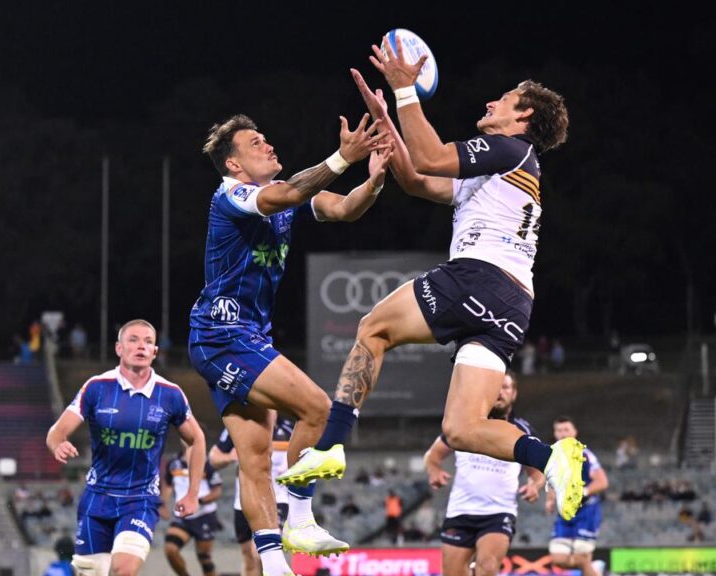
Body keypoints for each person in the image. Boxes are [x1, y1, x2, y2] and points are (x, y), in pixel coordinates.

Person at [279, 39, 586, 523]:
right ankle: (551, 458)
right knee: (464, 429)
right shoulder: (507, 170)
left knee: (372, 328)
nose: (491, 103)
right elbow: (418, 179)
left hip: (478, 278)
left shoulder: (509, 148)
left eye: (504, 99)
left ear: (523, 117)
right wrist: (386, 124)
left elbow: (431, 157)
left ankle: (332, 446)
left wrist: (405, 92)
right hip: (513, 303)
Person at [187, 111, 390, 574]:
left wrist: (374, 181)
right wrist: (344, 156)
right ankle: (299, 516)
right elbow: (293, 191)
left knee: (255, 458)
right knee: (318, 408)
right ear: (234, 165)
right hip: (224, 335)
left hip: (244, 337)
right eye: (256, 143)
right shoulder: (232, 195)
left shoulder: (285, 198)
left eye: (267, 137)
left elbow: (343, 208)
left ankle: (275, 564)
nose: (268, 145)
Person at [46, 319, 206, 576]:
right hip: (96, 499)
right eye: (133, 340)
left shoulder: (170, 394)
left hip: (140, 500)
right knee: (92, 572)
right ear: (119, 348)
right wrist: (58, 444)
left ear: (155, 352)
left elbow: (196, 439)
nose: (141, 346)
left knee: (123, 570)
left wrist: (192, 491)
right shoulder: (96, 387)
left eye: (148, 341)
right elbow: (57, 431)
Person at [424, 373, 544, 576]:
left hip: (498, 513)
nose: (500, 392)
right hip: (460, 511)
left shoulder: (522, 432)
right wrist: (434, 470)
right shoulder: (464, 425)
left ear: (513, 394)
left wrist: (535, 485)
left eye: (505, 387)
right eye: (496, 386)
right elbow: (432, 455)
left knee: (487, 567)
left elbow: (538, 471)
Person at [208, 418, 293, 576]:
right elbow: (213, 459)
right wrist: (230, 457)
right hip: (244, 503)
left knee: (261, 553)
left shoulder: (289, 430)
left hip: (276, 501)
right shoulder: (239, 426)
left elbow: (307, 456)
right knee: (248, 558)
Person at [546, 417, 608, 576]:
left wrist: (582, 493)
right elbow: (554, 481)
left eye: (566, 429)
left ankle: (590, 566)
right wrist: (551, 500)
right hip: (565, 514)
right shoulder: (553, 456)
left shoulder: (584, 454)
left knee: (581, 557)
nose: (562, 434)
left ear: (574, 432)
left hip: (586, 512)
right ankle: (594, 568)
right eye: (559, 430)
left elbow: (602, 481)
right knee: (558, 558)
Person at [163, 441, 223, 576]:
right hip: (182, 517)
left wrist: (197, 501)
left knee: (204, 559)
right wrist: (163, 504)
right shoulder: (173, 462)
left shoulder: (207, 463)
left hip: (205, 515)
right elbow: (168, 485)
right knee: (170, 549)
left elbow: (217, 491)